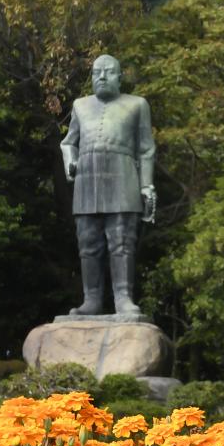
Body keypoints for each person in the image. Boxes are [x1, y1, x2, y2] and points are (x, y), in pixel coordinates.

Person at [60, 55, 156, 318]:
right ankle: (91, 299)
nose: (101, 77)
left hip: (123, 177)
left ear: (119, 77)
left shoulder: (137, 105)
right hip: (86, 180)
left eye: (108, 72)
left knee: (122, 241)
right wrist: (71, 163)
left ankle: (124, 298)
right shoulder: (80, 105)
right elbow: (68, 142)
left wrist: (147, 185)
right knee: (88, 242)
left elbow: (147, 149)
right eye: (96, 72)